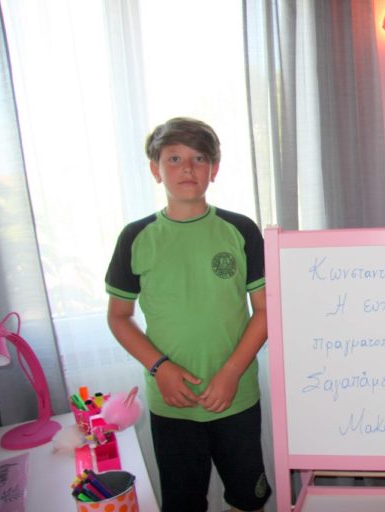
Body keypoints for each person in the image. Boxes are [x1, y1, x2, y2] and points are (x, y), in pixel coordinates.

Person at [105, 117, 271, 512]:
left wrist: (231, 372)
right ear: (155, 169)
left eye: (199, 158)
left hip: (236, 396)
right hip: (171, 402)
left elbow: (266, 310)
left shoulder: (241, 229)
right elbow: (119, 317)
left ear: (214, 169)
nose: (187, 168)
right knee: (183, 502)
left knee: (248, 498)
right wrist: (159, 368)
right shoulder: (135, 237)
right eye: (174, 158)